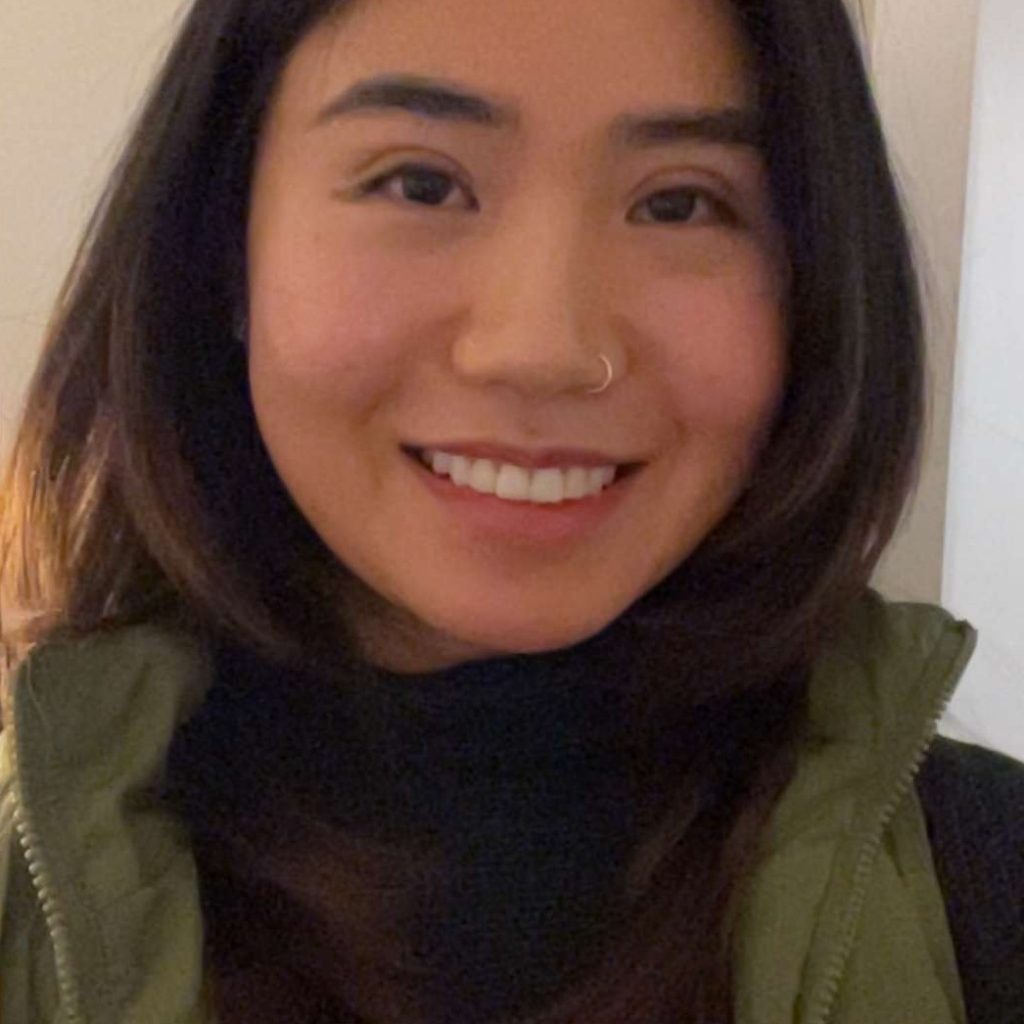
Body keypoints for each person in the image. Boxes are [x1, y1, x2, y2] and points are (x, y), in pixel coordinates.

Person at [1, 0, 1022, 1021]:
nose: (543, 347)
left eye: (679, 204)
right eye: (420, 184)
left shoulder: (988, 885)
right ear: (223, 248)